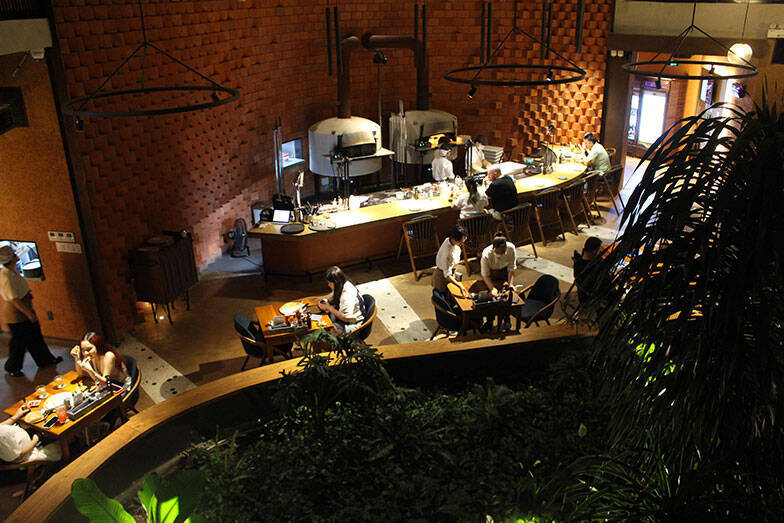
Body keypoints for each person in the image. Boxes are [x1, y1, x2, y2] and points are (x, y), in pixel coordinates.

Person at [0, 246, 62, 377]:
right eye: (14, 254)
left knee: (35, 337)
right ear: (9, 259)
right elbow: (14, 299)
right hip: (16, 314)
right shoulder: (6, 276)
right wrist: (28, 313)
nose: (16, 255)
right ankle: (12, 367)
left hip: (24, 309)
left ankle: (45, 360)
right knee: (19, 342)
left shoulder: (11, 271)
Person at [317, 266, 365, 334]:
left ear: (335, 282)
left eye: (329, 283)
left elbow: (346, 318)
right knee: (325, 319)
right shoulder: (343, 283)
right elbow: (336, 297)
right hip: (346, 317)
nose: (328, 285)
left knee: (327, 330)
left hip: (354, 323)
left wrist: (329, 308)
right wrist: (327, 301)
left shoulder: (346, 295)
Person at [433, 226, 469, 297]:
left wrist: (454, 271)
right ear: (454, 239)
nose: (462, 244)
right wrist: (460, 286)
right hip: (442, 276)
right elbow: (447, 275)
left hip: (450, 271)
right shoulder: (447, 253)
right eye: (461, 242)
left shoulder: (449, 239)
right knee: (445, 297)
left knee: (452, 294)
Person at [572, 236, 602, 305]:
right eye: (599, 250)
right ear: (595, 251)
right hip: (590, 299)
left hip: (582, 295)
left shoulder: (577, 262)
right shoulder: (593, 269)